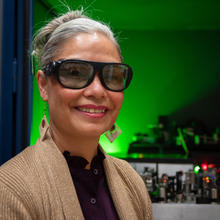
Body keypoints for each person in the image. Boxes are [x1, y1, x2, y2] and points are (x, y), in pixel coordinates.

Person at [0, 9, 153, 220]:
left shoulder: (131, 181)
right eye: (74, 73)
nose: (98, 91)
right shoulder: (11, 190)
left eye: (112, 75)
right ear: (43, 85)